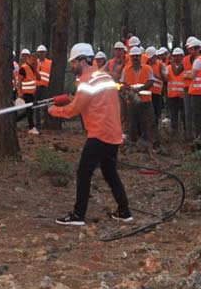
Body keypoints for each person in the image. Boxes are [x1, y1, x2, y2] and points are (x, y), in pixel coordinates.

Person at [49, 43, 133, 226]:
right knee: (110, 173)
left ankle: (78, 215)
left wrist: (54, 111)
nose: (72, 66)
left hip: (99, 134)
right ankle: (124, 211)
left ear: (82, 60)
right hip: (113, 133)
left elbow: (74, 110)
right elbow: (96, 101)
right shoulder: (104, 76)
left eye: (73, 62)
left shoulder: (87, 81)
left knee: (84, 173)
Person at [120, 44, 156, 148]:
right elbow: (122, 83)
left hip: (146, 100)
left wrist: (140, 89)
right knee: (132, 123)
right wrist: (127, 89)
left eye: (137, 56)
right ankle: (133, 143)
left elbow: (151, 82)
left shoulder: (147, 68)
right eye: (133, 56)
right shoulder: (126, 69)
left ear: (140, 57)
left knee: (149, 122)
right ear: (130, 57)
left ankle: (151, 143)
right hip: (132, 100)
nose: (135, 58)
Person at [183, 36, 201, 143]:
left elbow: (192, 76)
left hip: (197, 93)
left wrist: (186, 75)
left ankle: (200, 141)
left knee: (198, 118)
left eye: (192, 49)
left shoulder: (198, 61)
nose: (190, 51)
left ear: (198, 49)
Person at [16, 49, 41, 134]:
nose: (34, 62)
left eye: (35, 60)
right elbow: (19, 81)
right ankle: (32, 128)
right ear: (28, 59)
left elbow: (39, 78)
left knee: (29, 111)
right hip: (25, 94)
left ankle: (14, 120)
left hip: (31, 93)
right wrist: (20, 92)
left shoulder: (33, 68)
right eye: (32, 60)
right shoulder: (23, 68)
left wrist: (35, 69)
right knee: (30, 111)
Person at [166, 48, 188, 135]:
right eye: (175, 56)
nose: (176, 58)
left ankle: (186, 131)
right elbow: (165, 78)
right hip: (172, 96)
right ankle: (174, 132)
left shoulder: (186, 68)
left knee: (184, 115)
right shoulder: (168, 68)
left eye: (178, 56)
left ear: (182, 56)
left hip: (183, 96)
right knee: (173, 115)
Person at [147, 46, 167, 124]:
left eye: (150, 58)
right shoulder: (146, 65)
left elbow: (165, 79)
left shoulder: (161, 65)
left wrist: (155, 76)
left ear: (155, 56)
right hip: (147, 92)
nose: (149, 60)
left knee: (156, 113)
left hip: (157, 92)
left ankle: (155, 127)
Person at [35, 45, 53, 120]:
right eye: (40, 52)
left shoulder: (50, 63)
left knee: (46, 104)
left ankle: (46, 121)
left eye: (42, 52)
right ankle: (38, 123)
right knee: (36, 106)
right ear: (37, 53)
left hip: (45, 87)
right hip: (35, 87)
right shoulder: (34, 62)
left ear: (45, 53)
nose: (41, 54)